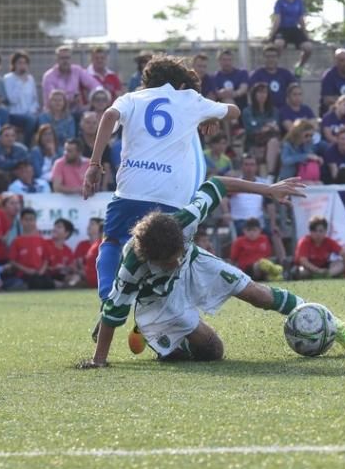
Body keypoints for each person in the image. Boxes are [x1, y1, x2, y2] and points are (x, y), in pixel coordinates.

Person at [81, 176, 345, 368]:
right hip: (159, 300)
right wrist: (99, 360)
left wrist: (267, 190)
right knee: (213, 352)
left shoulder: (185, 220)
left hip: (196, 264)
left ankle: (335, 324)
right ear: (150, 258)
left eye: (175, 255)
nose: (173, 263)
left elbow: (217, 184)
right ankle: (153, 333)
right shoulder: (132, 267)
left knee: (257, 294)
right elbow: (111, 313)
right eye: (168, 261)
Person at [82, 54, 239, 317]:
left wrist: (94, 165)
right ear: (179, 83)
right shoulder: (190, 99)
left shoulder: (132, 98)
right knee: (165, 255)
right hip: (171, 195)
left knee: (111, 241)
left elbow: (109, 116)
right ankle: (155, 315)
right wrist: (211, 114)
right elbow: (234, 111)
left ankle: (108, 298)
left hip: (132, 188)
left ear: (147, 80)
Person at [223, 153, 287, 263]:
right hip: (240, 222)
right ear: (242, 166)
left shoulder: (263, 184)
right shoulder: (235, 183)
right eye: (246, 164)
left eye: (252, 165)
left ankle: (284, 264)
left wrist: (273, 224)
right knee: (251, 232)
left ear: (256, 167)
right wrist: (226, 212)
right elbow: (224, 199)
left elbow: (270, 205)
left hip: (258, 221)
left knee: (275, 233)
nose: (249, 168)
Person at [269, 0, 312, 76]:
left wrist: (306, 35)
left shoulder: (299, 2)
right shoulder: (280, 2)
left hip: (294, 29)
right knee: (279, 44)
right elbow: (277, 20)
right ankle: (275, 66)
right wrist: (271, 36)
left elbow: (301, 20)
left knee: (308, 47)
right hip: (283, 29)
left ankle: (299, 67)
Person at [292, 214, 345, 280]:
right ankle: (321, 276)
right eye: (314, 231)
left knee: (341, 264)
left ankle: (326, 276)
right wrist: (318, 270)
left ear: (325, 231)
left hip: (324, 268)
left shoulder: (328, 241)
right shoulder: (304, 242)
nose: (318, 234)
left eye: (321, 231)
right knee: (302, 271)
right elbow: (303, 261)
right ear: (310, 232)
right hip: (308, 268)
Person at [8, 207, 56, 290]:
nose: (29, 222)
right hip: (23, 275)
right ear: (21, 221)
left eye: (31, 219)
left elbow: (46, 259)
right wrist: (27, 270)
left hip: (40, 273)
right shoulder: (17, 241)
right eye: (26, 220)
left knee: (50, 284)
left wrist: (42, 270)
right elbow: (12, 261)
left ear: (35, 221)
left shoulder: (41, 240)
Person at [41, 45, 100, 113]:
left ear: (71, 59)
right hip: (54, 113)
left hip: (74, 109)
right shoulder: (48, 76)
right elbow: (54, 100)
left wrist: (94, 98)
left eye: (67, 58)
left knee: (89, 114)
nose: (65, 61)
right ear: (57, 60)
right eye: (62, 58)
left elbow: (95, 85)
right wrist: (72, 99)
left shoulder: (77, 70)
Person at [241, 82, 281, 176]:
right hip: (253, 144)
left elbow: (276, 129)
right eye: (259, 92)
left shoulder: (274, 111)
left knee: (274, 142)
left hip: (270, 144)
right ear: (254, 95)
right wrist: (266, 127)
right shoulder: (247, 111)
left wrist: (263, 128)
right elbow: (250, 130)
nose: (262, 95)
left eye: (264, 92)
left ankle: (271, 175)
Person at [2, 50, 40, 143]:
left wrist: (32, 110)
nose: (22, 65)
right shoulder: (8, 78)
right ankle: (26, 146)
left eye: (25, 63)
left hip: (29, 113)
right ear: (14, 64)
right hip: (14, 114)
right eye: (19, 63)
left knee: (42, 119)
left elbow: (34, 99)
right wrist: (20, 82)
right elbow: (12, 100)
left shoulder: (30, 78)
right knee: (30, 121)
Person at [229, 217, 282, 282]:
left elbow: (268, 254)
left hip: (264, 266)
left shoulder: (264, 239)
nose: (251, 233)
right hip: (247, 269)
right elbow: (233, 259)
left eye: (254, 230)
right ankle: (274, 271)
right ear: (244, 231)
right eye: (249, 230)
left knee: (264, 263)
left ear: (260, 230)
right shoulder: (239, 241)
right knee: (261, 263)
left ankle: (272, 275)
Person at [0, 124, 29, 192]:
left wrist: (12, 164)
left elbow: (25, 164)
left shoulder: (21, 150)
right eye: (6, 135)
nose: (10, 138)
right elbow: (2, 165)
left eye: (13, 136)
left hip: (18, 180)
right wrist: (17, 162)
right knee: (2, 174)